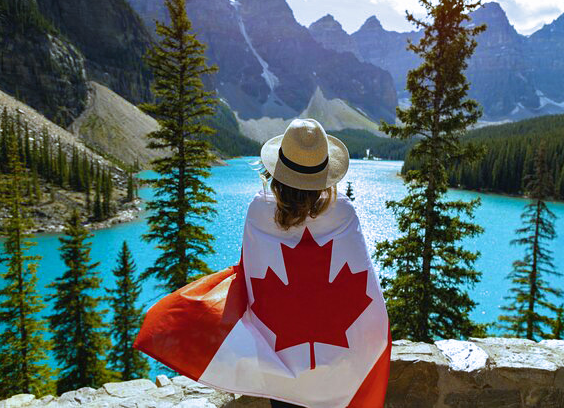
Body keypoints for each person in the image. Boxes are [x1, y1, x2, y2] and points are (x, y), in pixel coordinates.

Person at [134, 118, 390, 408]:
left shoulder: (259, 210)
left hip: (281, 364)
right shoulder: (343, 212)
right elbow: (365, 286)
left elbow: (250, 273)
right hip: (340, 369)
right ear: (325, 175)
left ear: (277, 172)